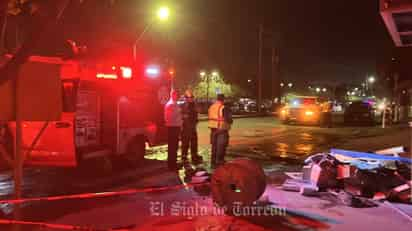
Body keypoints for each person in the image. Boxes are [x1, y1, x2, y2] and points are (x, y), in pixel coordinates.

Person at [208, 94, 233, 167]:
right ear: (223, 99)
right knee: (221, 146)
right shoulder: (224, 108)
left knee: (214, 146)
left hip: (213, 129)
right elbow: (229, 119)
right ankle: (219, 162)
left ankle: (213, 162)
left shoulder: (211, 107)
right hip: (222, 129)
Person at [181, 90, 203, 165]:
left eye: (192, 97)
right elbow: (183, 116)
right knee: (186, 143)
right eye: (190, 97)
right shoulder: (185, 105)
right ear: (186, 98)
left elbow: (198, 111)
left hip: (192, 127)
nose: (191, 98)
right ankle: (184, 157)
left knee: (193, 142)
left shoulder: (193, 105)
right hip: (186, 127)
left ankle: (194, 156)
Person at [164, 90, 183, 170]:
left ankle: (172, 164)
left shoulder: (173, 104)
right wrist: (179, 112)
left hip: (174, 127)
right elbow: (170, 117)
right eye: (176, 95)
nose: (177, 96)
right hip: (173, 128)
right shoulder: (171, 105)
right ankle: (172, 165)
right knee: (173, 147)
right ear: (173, 95)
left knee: (173, 147)